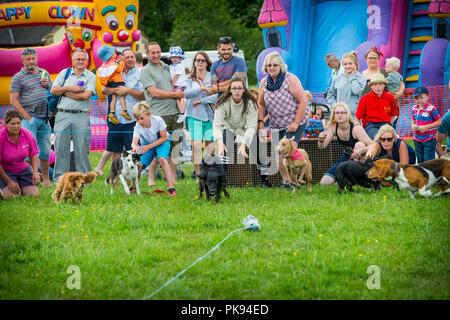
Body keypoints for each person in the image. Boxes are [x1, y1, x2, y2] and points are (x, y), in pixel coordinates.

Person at [257, 51, 310, 190]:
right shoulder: (264, 82)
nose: (272, 67)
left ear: (281, 66)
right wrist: (260, 121)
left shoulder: (290, 79)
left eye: (275, 65)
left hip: (295, 120)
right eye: (269, 65)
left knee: (289, 152)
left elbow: (303, 100)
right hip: (276, 123)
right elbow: (261, 104)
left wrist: (296, 123)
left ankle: (296, 181)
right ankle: (286, 182)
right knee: (277, 153)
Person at [94, 49, 145, 176]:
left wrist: (127, 91)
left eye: (132, 57)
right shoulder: (114, 69)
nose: (130, 59)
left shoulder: (140, 74)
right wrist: (117, 90)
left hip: (132, 119)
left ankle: (134, 179)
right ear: (122, 59)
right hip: (115, 118)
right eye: (127, 57)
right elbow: (105, 90)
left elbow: (144, 95)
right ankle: (115, 176)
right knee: (115, 150)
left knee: (132, 150)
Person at [140, 41, 184, 186]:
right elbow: (154, 92)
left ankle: (172, 179)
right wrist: (174, 95)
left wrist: (177, 93)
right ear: (147, 54)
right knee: (156, 150)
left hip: (175, 113)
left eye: (158, 52)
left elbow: (174, 86)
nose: (156, 55)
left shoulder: (166, 67)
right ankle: (151, 179)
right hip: (159, 114)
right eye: (153, 53)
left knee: (175, 149)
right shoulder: (146, 71)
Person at [50, 49, 96, 182]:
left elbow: (85, 96)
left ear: (86, 61)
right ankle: (59, 178)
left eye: (83, 59)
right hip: (62, 114)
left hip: (81, 115)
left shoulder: (90, 76)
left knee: (82, 147)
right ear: (73, 60)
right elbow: (53, 90)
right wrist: (70, 88)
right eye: (78, 59)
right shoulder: (65, 73)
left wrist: (63, 92)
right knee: (60, 147)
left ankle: (84, 178)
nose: (80, 62)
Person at [10, 47, 52, 187]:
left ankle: (46, 180)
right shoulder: (18, 77)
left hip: (45, 119)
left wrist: (49, 85)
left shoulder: (44, 73)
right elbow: (13, 100)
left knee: (45, 151)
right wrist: (26, 116)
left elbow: (52, 92)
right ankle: (28, 181)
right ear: (22, 60)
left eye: (33, 58)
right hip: (30, 120)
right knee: (28, 152)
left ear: (37, 59)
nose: (31, 61)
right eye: (28, 59)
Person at [317, 102, 373, 185]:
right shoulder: (333, 125)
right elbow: (322, 146)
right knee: (324, 183)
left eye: (343, 113)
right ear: (334, 115)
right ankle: (346, 180)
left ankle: (357, 180)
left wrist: (361, 150)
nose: (340, 115)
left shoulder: (355, 127)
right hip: (347, 157)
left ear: (347, 114)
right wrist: (321, 140)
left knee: (359, 145)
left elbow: (372, 145)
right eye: (337, 113)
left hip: (360, 160)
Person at [184, 51, 217, 180]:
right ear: (194, 63)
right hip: (194, 116)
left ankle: (210, 172)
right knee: (197, 146)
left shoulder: (212, 77)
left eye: (203, 60)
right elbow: (186, 94)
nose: (200, 63)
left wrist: (207, 97)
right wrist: (201, 89)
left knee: (210, 146)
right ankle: (198, 175)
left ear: (207, 62)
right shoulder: (189, 78)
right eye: (198, 60)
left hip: (209, 116)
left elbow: (217, 95)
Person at [131, 102, 176, 196]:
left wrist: (148, 147)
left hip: (162, 142)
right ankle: (134, 187)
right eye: (137, 119)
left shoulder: (158, 120)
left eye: (141, 118)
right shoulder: (137, 126)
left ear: (149, 115)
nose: (139, 121)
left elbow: (163, 138)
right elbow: (134, 143)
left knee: (162, 159)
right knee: (138, 165)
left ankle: (171, 188)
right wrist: (135, 148)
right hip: (147, 145)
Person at [213, 76, 258, 158]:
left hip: (244, 131)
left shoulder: (251, 104)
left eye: (240, 88)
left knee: (255, 138)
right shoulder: (222, 103)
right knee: (225, 136)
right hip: (228, 131)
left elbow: (251, 127)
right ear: (230, 90)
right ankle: (224, 168)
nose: (237, 91)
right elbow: (217, 125)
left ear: (244, 89)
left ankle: (261, 168)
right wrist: (220, 143)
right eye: (234, 88)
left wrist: (244, 144)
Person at [0, 110, 40, 199]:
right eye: (13, 124)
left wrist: (35, 172)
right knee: (11, 197)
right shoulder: (1, 137)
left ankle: (20, 185)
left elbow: (33, 155)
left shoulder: (27, 134)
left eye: (18, 123)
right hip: (6, 172)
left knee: (33, 195)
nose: (16, 126)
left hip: (23, 170)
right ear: (6, 123)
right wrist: (9, 182)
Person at [355, 73, 398, 140]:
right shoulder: (365, 99)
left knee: (392, 139)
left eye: (380, 84)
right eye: (375, 84)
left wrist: (390, 124)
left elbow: (394, 114)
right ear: (371, 86)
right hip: (371, 124)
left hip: (386, 124)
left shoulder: (390, 98)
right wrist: (359, 130)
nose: (378, 87)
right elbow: (357, 117)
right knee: (377, 138)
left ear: (384, 85)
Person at [97, 45, 130, 124]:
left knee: (113, 99)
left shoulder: (106, 64)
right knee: (122, 97)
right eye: (113, 52)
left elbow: (114, 66)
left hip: (111, 84)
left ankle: (112, 113)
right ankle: (124, 111)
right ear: (111, 55)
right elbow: (120, 69)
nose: (115, 54)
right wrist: (122, 61)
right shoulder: (113, 64)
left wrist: (118, 60)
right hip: (118, 82)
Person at [326, 51, 366, 117]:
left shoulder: (361, 78)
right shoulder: (337, 78)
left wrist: (352, 77)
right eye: (345, 64)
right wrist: (335, 106)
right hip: (339, 115)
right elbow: (330, 95)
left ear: (355, 64)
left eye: (350, 64)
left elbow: (356, 91)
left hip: (354, 115)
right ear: (342, 65)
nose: (348, 66)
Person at [411, 85, 442, 163]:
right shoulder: (414, 108)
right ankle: (422, 174)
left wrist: (426, 127)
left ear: (427, 96)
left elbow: (439, 122)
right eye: (417, 98)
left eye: (422, 97)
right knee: (420, 160)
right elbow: (413, 120)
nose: (419, 100)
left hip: (429, 139)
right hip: (417, 139)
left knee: (428, 161)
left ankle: (430, 174)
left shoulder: (431, 109)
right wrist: (413, 125)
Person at [168, 46, 188, 123]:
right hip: (176, 84)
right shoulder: (172, 66)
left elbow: (176, 76)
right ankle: (180, 112)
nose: (175, 58)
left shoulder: (179, 66)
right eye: (173, 57)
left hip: (180, 84)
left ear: (180, 58)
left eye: (177, 56)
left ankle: (182, 113)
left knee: (177, 98)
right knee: (176, 99)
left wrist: (172, 84)